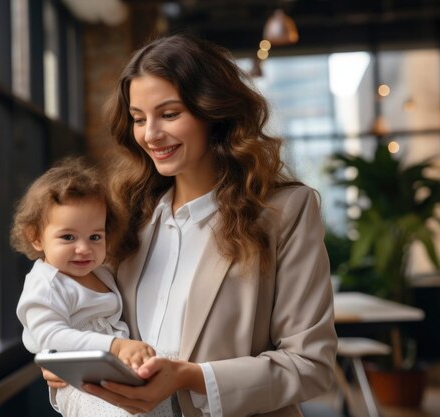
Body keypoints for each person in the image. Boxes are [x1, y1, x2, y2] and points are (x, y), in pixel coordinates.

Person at [43, 33, 337, 417]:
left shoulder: (286, 211)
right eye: (138, 119)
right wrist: (68, 358)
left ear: (212, 113)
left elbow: (311, 365)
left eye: (169, 114)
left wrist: (190, 377)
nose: (151, 134)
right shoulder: (125, 217)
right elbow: (89, 317)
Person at [12, 157, 174, 417]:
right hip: (79, 382)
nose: (84, 248)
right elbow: (50, 337)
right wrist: (117, 347)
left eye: (95, 236)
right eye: (68, 237)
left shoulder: (101, 272)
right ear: (36, 237)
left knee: (164, 406)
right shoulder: (45, 284)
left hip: (113, 370)